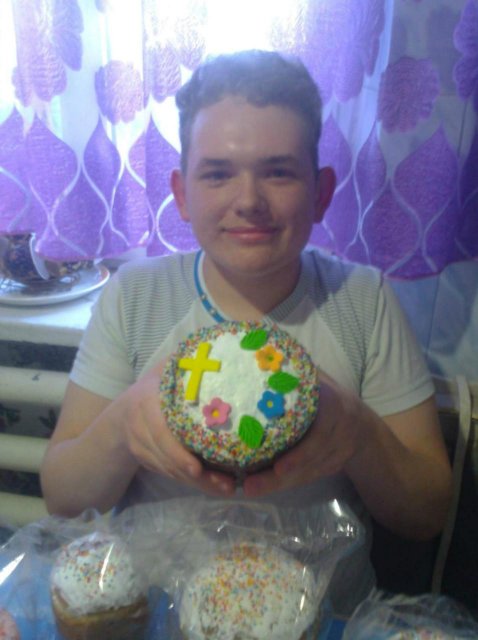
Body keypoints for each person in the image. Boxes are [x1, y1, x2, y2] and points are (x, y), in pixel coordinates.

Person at [40, 49, 452, 614]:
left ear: (321, 192)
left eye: (278, 172)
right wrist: (122, 426)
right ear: (182, 194)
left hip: (319, 614)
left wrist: (357, 432)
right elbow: (63, 498)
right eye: (217, 174)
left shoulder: (365, 300)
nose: (249, 201)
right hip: (152, 610)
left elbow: (427, 512)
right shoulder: (134, 297)